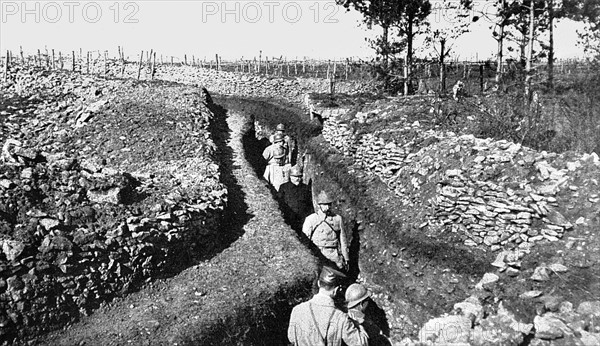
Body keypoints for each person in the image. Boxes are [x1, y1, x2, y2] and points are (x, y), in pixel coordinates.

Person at [288, 266, 368, 346]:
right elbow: (361, 343)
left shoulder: (297, 310)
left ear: (319, 283)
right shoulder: (341, 318)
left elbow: (291, 338)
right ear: (336, 290)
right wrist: (358, 323)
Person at [302, 191, 349, 271]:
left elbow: (343, 240)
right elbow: (304, 241)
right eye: (324, 204)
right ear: (318, 205)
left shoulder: (337, 219)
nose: (327, 207)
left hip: (334, 255)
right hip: (319, 254)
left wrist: (346, 258)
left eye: (329, 204)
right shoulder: (311, 219)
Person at [277, 166, 313, 231]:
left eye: (299, 177)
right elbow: (279, 203)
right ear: (290, 176)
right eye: (295, 177)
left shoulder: (305, 188)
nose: (297, 179)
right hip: (289, 218)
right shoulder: (284, 187)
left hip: (302, 219)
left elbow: (310, 205)